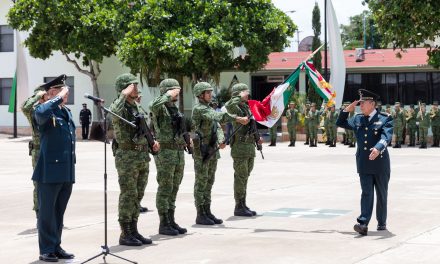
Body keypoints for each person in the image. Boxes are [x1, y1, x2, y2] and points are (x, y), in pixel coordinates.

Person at [109, 73, 158, 246]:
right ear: (124, 89)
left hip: (141, 156)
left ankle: (134, 229)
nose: (136, 88)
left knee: (138, 195)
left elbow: (142, 130)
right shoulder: (120, 106)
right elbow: (113, 114)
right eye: (132, 86)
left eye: (136, 86)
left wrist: (152, 143)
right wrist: (123, 94)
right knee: (128, 194)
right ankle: (125, 233)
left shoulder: (135, 107)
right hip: (127, 158)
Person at [336, 89, 393, 236]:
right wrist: (345, 111)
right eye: (359, 103)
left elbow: (386, 137)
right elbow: (340, 122)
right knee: (366, 193)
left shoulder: (385, 118)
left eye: (363, 103)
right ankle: (363, 223)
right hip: (364, 163)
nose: (360, 106)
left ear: (372, 104)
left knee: (381, 194)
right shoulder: (357, 119)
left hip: (380, 163)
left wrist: (378, 148)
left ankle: (381, 222)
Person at [32, 74, 76, 262]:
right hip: (49, 171)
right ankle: (46, 249)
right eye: (61, 90)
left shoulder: (65, 112)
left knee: (59, 212)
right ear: (51, 92)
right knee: (47, 213)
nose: (66, 93)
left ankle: (56, 246)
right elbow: (41, 113)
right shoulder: (43, 110)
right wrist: (57, 98)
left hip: (66, 170)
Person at [191, 82, 248, 225]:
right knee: (201, 182)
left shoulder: (209, 108)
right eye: (207, 92)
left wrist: (221, 139)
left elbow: (217, 127)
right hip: (202, 151)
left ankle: (207, 211)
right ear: (200, 95)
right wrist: (237, 118)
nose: (210, 95)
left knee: (209, 182)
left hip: (212, 149)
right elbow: (218, 117)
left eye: (210, 92)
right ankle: (200, 214)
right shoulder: (199, 109)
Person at [150, 78, 190, 236]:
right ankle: (163, 223)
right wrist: (168, 95)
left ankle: (171, 220)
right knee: (165, 187)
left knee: (174, 187)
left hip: (178, 152)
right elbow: (152, 105)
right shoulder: (160, 108)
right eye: (174, 91)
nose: (176, 94)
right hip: (165, 153)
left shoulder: (174, 108)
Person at [225, 83, 263, 217]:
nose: (247, 94)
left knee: (245, 177)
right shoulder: (235, 107)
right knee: (240, 177)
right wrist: (238, 97)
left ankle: (243, 203)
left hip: (249, 147)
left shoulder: (247, 107)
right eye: (244, 92)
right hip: (239, 148)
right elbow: (227, 105)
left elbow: (252, 125)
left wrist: (257, 138)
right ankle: (238, 206)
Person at [21, 84, 47, 220]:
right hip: (38, 151)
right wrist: (36, 96)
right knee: (38, 184)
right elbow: (24, 107)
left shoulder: (52, 109)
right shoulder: (34, 111)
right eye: (46, 94)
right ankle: (39, 214)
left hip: (52, 151)